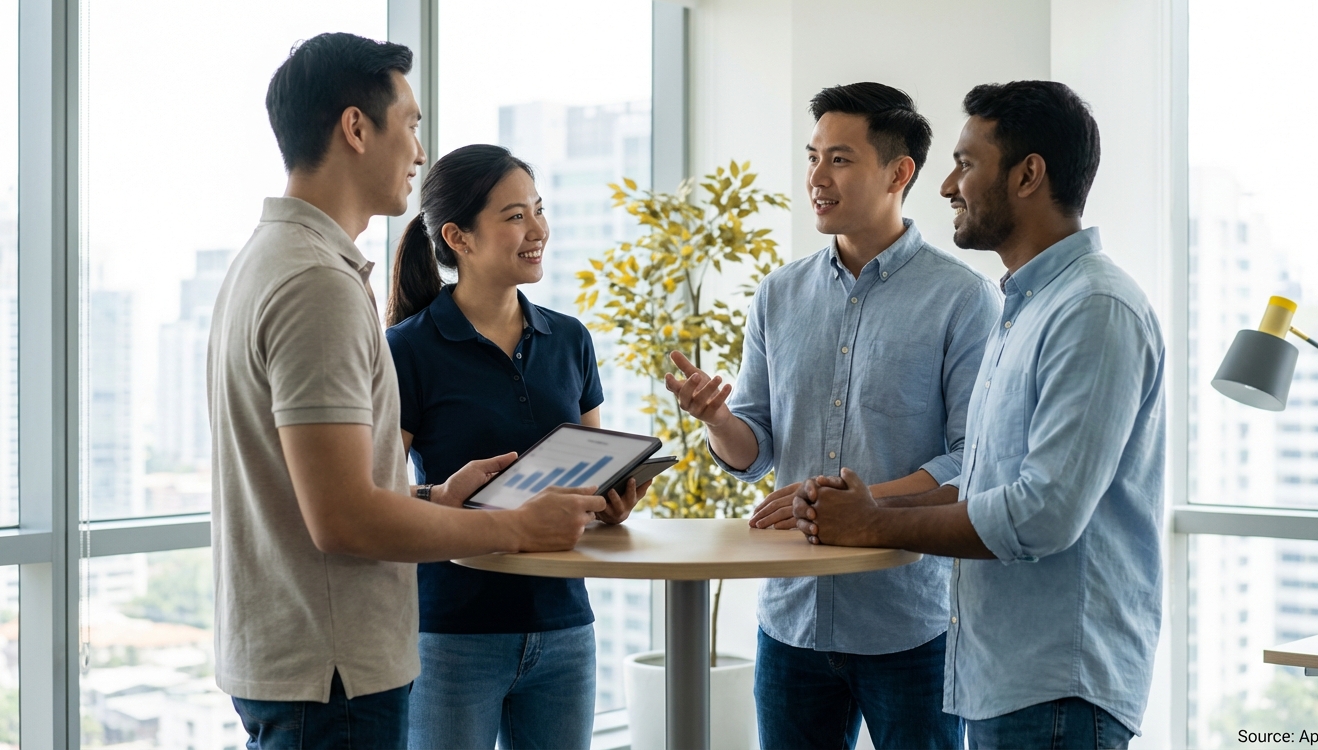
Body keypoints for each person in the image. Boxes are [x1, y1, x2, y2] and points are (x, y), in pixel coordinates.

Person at [208, 33, 606, 750]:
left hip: (304, 662)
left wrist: (434, 499)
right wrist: (514, 526)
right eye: (412, 124)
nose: (420, 152)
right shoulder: (317, 285)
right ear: (357, 128)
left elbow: (328, 492)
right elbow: (343, 519)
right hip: (334, 671)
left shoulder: (271, 260)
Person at [793, 81, 1164, 749]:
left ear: (1028, 175)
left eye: (966, 163)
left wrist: (875, 521)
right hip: (1004, 683)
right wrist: (867, 508)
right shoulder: (1025, 309)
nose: (946, 187)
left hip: (1056, 693)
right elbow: (986, 480)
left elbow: (1042, 513)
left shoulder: (1093, 309)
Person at [664, 82, 999, 749]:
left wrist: (861, 504)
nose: (816, 177)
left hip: (911, 621)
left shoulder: (963, 299)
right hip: (791, 623)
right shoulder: (779, 294)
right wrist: (716, 419)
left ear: (898, 172)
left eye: (839, 159)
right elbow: (752, 451)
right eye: (814, 156)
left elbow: (972, 461)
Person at [385, 143, 650, 750]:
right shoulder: (407, 351)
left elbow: (592, 471)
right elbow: (378, 497)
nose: (538, 230)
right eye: (514, 216)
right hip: (453, 634)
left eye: (538, 209)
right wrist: (438, 495)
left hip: (564, 626)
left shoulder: (571, 339)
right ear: (459, 237)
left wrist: (611, 503)